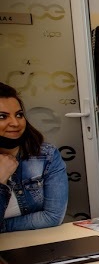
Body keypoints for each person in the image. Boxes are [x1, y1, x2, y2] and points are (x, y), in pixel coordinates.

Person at [0, 82, 68, 232]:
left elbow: (53, 216)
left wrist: (2, 227)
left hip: (34, 240)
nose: (15, 123)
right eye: (2, 116)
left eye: (19, 115)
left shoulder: (46, 155)